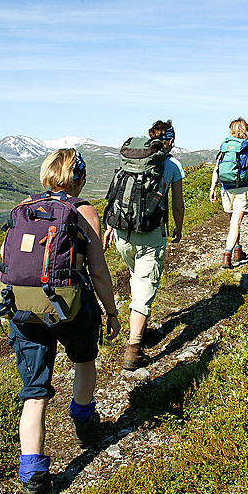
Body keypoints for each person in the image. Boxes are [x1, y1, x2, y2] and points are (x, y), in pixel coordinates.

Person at [3, 149, 120, 494]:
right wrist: (111, 311)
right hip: (70, 304)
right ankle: (84, 421)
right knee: (84, 359)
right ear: (79, 177)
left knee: (34, 392)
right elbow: (98, 270)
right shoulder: (83, 211)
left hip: (23, 307)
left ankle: (33, 482)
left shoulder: (23, 207)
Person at [103, 120, 185, 371]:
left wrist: (109, 226)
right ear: (169, 140)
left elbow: (119, 195)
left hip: (121, 231)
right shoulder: (171, 165)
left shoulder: (130, 160)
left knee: (136, 278)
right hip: (151, 232)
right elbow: (177, 204)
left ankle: (139, 325)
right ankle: (134, 350)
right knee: (144, 286)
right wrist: (178, 228)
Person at [210, 118, 248, 268]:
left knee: (232, 221)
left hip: (226, 187)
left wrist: (212, 187)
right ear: (246, 129)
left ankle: (238, 250)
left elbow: (217, 168)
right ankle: (227, 255)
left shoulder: (225, 144)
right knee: (236, 222)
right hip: (243, 185)